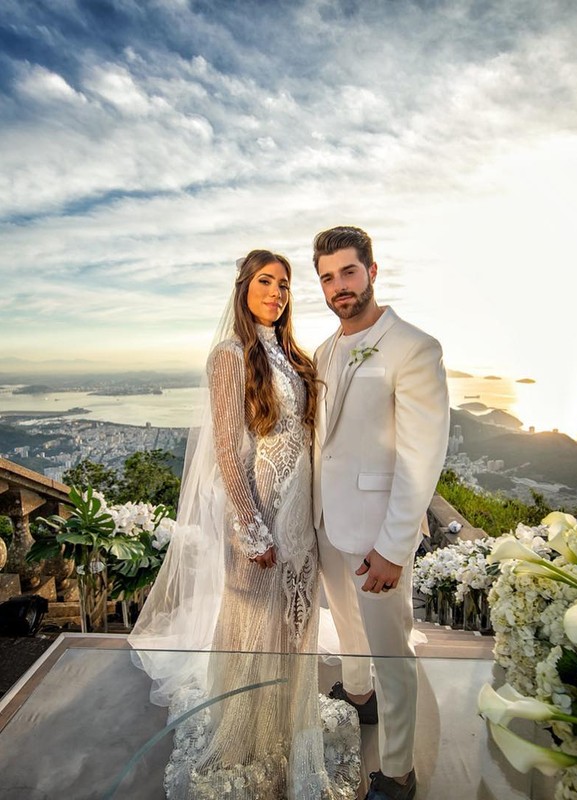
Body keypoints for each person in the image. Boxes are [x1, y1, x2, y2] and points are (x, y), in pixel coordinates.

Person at [129, 250, 359, 799]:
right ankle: (246, 737)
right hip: (262, 516)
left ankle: (286, 723)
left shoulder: (290, 352)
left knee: (294, 626)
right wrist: (252, 528)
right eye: (265, 281)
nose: (276, 293)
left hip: (300, 513)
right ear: (244, 287)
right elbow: (231, 453)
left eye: (283, 284)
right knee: (254, 628)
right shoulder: (230, 355)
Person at [312, 227, 450, 800]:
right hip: (327, 523)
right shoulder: (323, 350)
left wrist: (395, 548)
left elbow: (422, 457)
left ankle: (398, 772)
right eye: (326, 277)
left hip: (377, 535)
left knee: (392, 650)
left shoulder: (413, 347)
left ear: (372, 270)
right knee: (346, 628)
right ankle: (356, 694)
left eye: (348, 271)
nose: (338, 286)